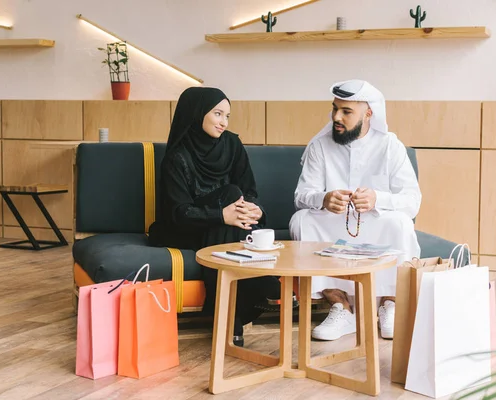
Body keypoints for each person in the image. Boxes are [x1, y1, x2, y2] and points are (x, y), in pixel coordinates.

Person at [289, 79, 422, 341]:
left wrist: (377, 199)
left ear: (369, 114)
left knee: (401, 224)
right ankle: (341, 308)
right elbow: (301, 196)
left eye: (346, 112)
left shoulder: (390, 146)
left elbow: (412, 201)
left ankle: (390, 305)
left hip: (375, 224)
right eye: (335, 109)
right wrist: (323, 198)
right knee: (301, 220)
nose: (336, 117)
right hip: (333, 224)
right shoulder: (320, 145)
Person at [148, 86, 280, 347]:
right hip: (184, 228)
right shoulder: (177, 156)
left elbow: (250, 191)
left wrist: (256, 209)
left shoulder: (232, 144)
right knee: (231, 194)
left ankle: (230, 320)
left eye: (227, 116)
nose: (223, 122)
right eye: (218, 114)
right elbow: (178, 212)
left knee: (234, 195)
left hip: (225, 227)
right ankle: (259, 289)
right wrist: (221, 215)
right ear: (197, 114)